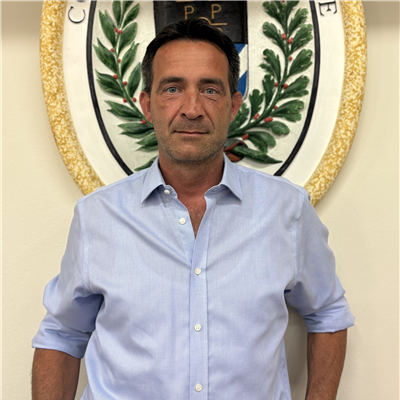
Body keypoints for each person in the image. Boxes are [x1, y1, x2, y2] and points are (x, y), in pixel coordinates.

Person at [32, 18, 354, 400]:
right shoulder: (97, 217)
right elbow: (62, 334)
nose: (192, 108)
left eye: (210, 90)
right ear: (147, 105)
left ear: (234, 106)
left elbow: (328, 313)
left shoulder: (287, 211)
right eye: (172, 88)